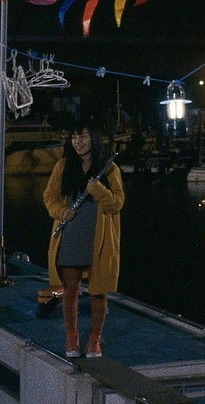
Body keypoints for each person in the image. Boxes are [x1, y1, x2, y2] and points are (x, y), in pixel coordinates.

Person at [42, 119, 124, 358]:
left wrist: (99, 190)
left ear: (94, 139)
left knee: (99, 291)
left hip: (98, 238)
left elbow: (117, 203)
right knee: (70, 291)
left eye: (84, 137)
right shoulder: (63, 166)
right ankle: (72, 338)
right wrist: (61, 212)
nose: (78, 142)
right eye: (75, 137)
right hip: (71, 235)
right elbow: (49, 197)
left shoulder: (109, 169)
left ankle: (95, 340)